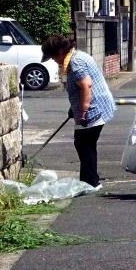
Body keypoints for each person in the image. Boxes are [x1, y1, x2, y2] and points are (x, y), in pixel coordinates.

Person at [40, 35, 116, 188]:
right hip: (97, 106)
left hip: (93, 109)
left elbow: (86, 85)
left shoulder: (75, 62)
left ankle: (90, 182)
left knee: (84, 143)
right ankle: (89, 180)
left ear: (61, 51)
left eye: (54, 56)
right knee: (84, 143)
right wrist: (73, 109)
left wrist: (82, 112)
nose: (54, 60)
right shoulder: (79, 55)